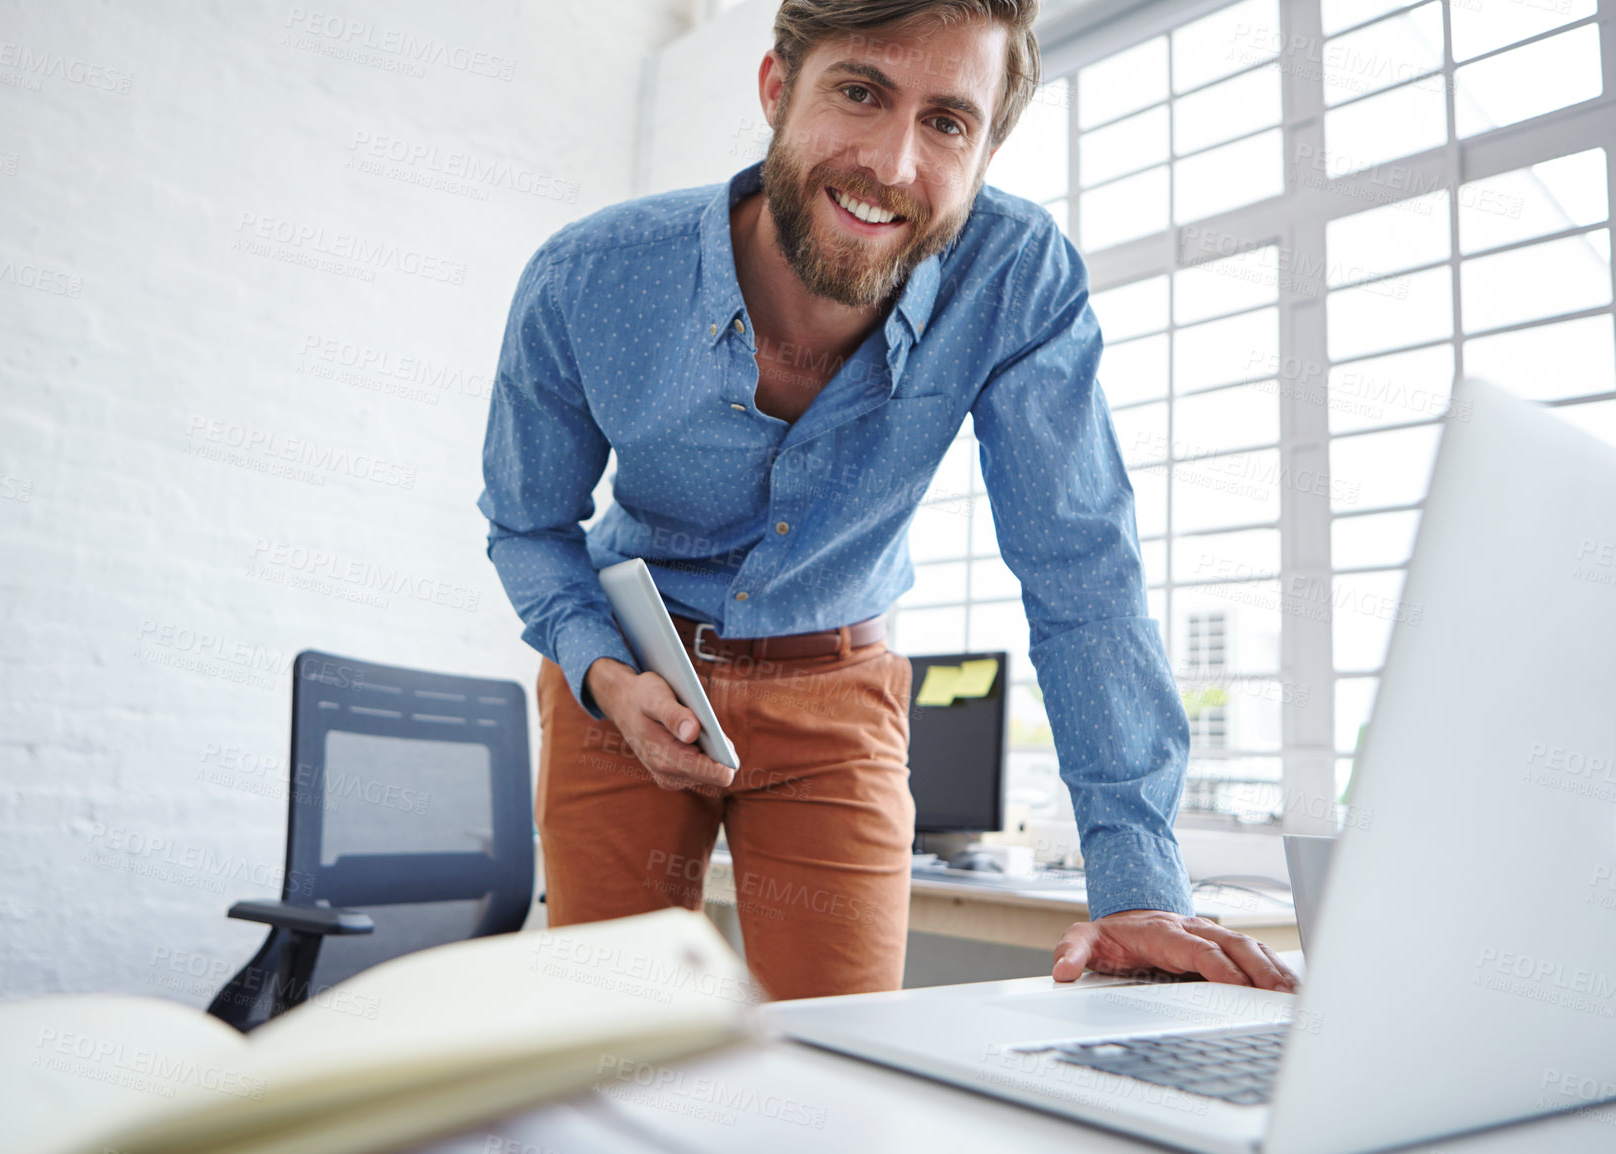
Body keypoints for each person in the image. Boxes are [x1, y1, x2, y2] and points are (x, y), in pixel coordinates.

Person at [477, 0, 1298, 1001]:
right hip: (624, 682)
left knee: (845, 1058)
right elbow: (529, 523)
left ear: (985, 148)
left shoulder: (1015, 278)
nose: (891, 163)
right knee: (597, 1044)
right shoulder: (589, 278)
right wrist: (602, 674)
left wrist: (1136, 883)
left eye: (946, 121)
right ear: (779, 90)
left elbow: (1079, 568)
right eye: (860, 91)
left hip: (838, 698)